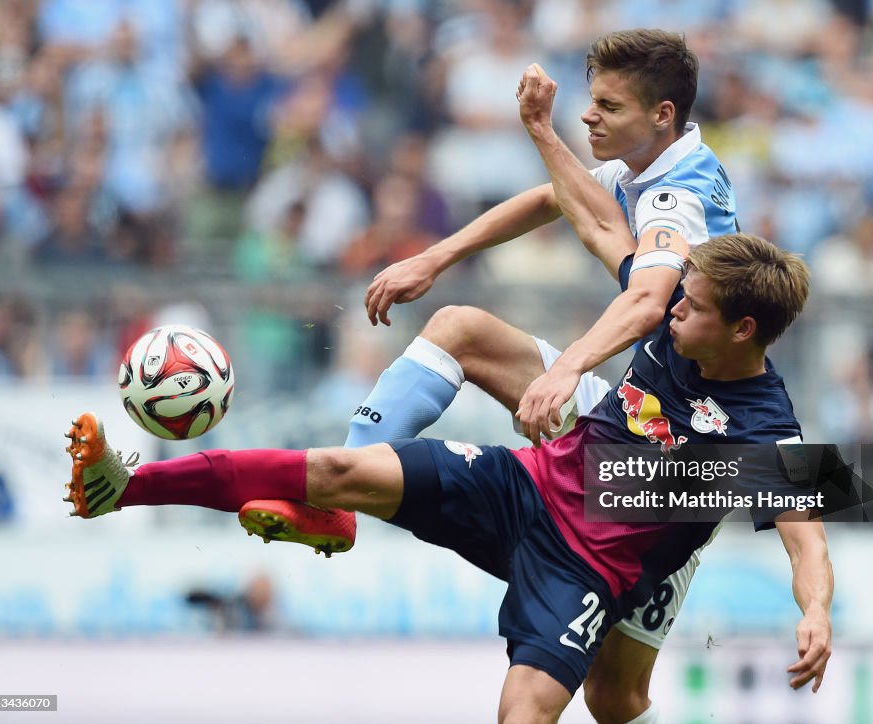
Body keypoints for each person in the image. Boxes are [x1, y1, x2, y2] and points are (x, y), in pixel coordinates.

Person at [64, 233, 832, 723]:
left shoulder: (770, 431)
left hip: (585, 572)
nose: (668, 316)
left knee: (534, 713)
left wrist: (817, 613)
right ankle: (122, 488)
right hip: (519, 485)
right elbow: (591, 221)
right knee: (335, 469)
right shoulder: (673, 312)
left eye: (689, 310)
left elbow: (810, 546)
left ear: (742, 330)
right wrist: (541, 134)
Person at [245, 29, 742, 723]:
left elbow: (648, 298)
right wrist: (434, 258)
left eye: (607, 105)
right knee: (459, 329)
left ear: (662, 115)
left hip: (677, 468)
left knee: (615, 697)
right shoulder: (647, 165)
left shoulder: (676, 199)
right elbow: (551, 200)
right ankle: (341, 487)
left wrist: (565, 369)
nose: (589, 116)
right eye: (590, 101)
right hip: (636, 418)